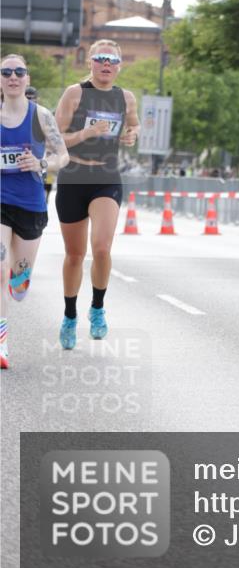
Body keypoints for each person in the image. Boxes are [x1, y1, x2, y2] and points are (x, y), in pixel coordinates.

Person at [54, 40, 140, 349]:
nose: (106, 64)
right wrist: (87, 133)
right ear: (90, 62)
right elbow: (56, 138)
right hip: (74, 176)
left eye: (112, 60)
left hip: (106, 175)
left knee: (102, 248)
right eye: (101, 58)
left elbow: (134, 125)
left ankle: (98, 308)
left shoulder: (125, 98)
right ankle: (69, 315)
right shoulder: (75, 93)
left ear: (119, 66)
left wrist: (132, 134)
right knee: (75, 255)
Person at [0, 54, 69, 369]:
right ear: (0, 80)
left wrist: (41, 164)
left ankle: (21, 275)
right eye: (6, 72)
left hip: (30, 205)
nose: (13, 76)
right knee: (0, 271)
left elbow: (62, 156)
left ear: (26, 79)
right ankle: (2, 344)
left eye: (19, 72)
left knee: (17, 278)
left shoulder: (41, 116)